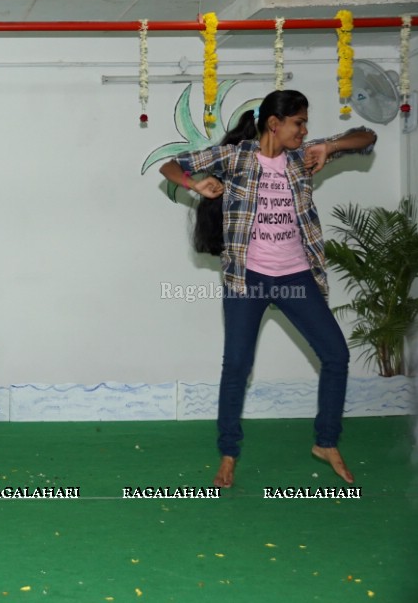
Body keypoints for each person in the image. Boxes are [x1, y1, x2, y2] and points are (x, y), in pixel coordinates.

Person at [158, 89, 376, 488]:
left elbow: (367, 137)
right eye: (299, 123)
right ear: (274, 124)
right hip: (249, 279)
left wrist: (329, 145)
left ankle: (326, 442)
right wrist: (196, 184)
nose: (304, 130)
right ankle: (228, 454)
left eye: (306, 123)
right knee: (237, 366)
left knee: (336, 355)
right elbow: (169, 166)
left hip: (297, 277)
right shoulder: (236, 157)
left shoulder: (303, 157)